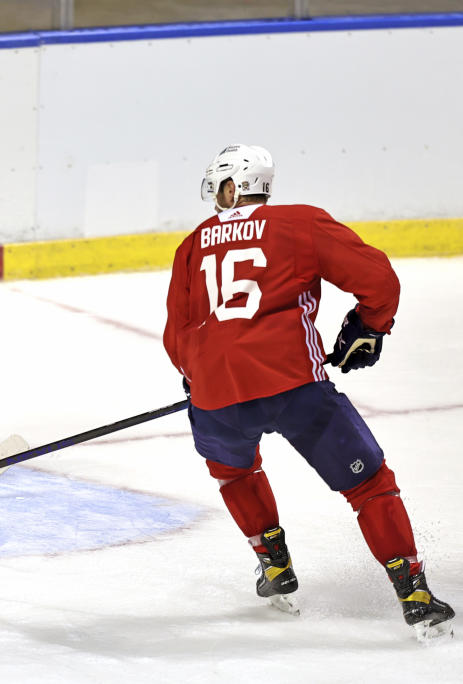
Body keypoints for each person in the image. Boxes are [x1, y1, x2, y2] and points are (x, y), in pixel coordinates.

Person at [163, 143, 454, 639]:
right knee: (369, 484)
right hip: (294, 386)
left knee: (235, 472)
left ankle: (274, 564)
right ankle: (413, 591)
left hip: (215, 400)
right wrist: (370, 324)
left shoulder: (191, 245)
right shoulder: (300, 223)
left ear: (232, 187)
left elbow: (177, 333)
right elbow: (378, 279)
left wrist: (198, 377)